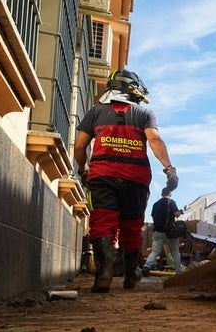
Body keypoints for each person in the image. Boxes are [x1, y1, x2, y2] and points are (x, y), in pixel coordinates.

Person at [73, 69, 179, 293]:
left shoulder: (95, 113)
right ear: (135, 90)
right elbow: (154, 139)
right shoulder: (144, 114)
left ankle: (103, 273)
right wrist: (169, 168)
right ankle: (131, 276)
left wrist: (83, 170)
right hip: (136, 179)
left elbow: (80, 146)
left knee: (102, 222)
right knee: (131, 226)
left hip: (102, 176)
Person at [143, 190, 185, 275]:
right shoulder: (172, 202)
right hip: (170, 232)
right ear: (170, 194)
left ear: (161, 194)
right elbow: (176, 215)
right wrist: (179, 212)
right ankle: (179, 272)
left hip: (158, 232)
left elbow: (154, 217)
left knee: (155, 251)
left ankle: (147, 266)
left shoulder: (155, 204)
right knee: (175, 251)